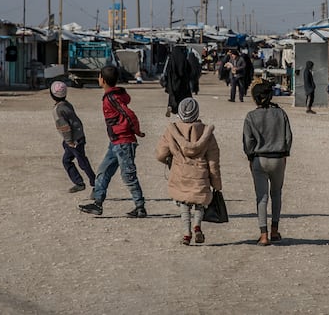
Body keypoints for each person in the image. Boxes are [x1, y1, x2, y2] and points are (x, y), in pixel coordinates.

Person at [79, 65, 147, 218]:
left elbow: (129, 114)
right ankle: (97, 203)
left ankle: (140, 207)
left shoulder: (111, 98)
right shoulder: (113, 95)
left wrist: (137, 131)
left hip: (123, 142)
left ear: (102, 80)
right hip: (115, 142)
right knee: (104, 171)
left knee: (128, 175)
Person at [155, 97, 222, 246]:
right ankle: (197, 226)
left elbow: (160, 154)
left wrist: (168, 160)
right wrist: (216, 184)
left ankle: (186, 233)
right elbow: (213, 162)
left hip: (180, 173)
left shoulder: (172, 131)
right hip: (200, 175)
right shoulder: (206, 133)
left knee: (183, 202)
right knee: (199, 202)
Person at [243, 80, 293, 246]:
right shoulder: (281, 114)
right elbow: (288, 137)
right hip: (278, 158)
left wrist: (250, 158)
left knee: (261, 197)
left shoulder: (251, 116)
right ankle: (274, 230)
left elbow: (248, 142)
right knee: (276, 193)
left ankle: (263, 235)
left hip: (259, 158)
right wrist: (285, 153)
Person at [50, 81, 96, 194]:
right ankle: (79, 182)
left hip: (74, 140)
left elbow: (65, 127)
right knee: (67, 160)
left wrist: (69, 141)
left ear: (51, 95)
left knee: (82, 162)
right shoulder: (67, 104)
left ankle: (96, 184)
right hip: (78, 136)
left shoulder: (57, 110)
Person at [163, 45, 192, 117]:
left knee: (173, 96)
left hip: (172, 82)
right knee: (182, 97)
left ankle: (171, 106)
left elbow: (167, 71)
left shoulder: (171, 58)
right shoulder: (183, 58)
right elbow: (189, 69)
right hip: (182, 82)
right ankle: (180, 111)